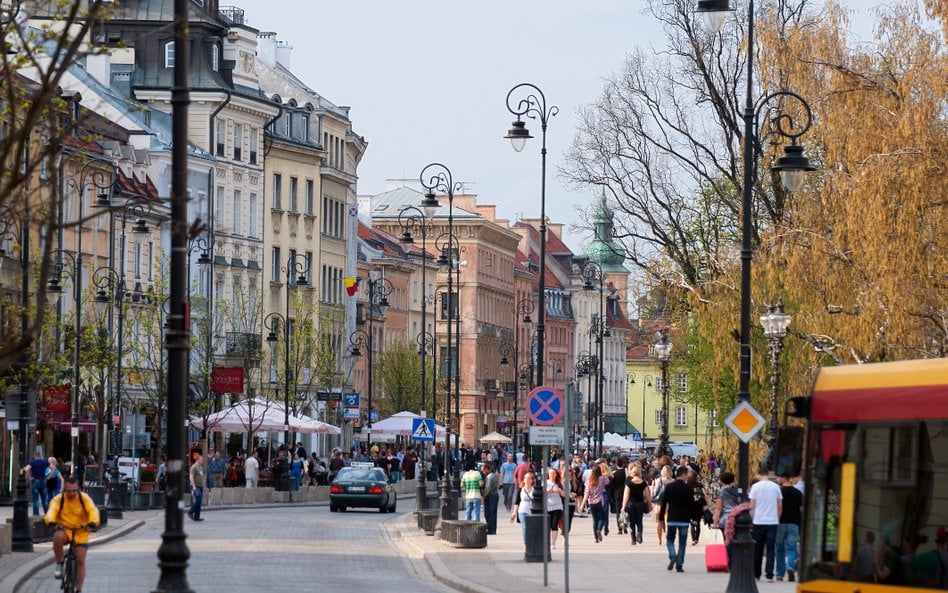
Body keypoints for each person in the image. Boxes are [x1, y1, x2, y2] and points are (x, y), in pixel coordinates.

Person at [46, 476, 100, 593]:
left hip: (81, 531)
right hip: (65, 530)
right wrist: (51, 521)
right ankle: (60, 563)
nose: (71, 493)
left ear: (78, 489)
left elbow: (93, 510)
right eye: (68, 491)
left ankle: (79, 589)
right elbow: (52, 510)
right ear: (64, 489)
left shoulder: (84, 498)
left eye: (74, 490)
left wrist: (93, 523)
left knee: (80, 560)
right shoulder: (58, 500)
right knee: (57, 536)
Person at [659, 465, 696, 572]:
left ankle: (672, 555)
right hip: (684, 519)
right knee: (682, 542)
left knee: (670, 540)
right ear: (683, 474)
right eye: (687, 475)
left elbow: (664, 502)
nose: (687, 477)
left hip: (672, 518)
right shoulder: (688, 488)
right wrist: (693, 518)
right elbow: (691, 504)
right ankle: (679, 565)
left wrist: (661, 517)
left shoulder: (669, 487)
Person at [749, 466, 783, 582]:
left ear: (758, 475)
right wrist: (777, 520)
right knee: (770, 549)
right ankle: (769, 574)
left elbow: (752, 506)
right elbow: (779, 507)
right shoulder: (776, 487)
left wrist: (751, 521)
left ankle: (756, 573)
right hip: (772, 522)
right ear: (768, 475)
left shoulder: (755, 487)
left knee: (757, 549)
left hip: (758, 521)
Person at [775, 475, 803, 581]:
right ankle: (790, 567)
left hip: (781, 523)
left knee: (780, 549)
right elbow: (801, 509)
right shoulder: (798, 493)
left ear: (783, 478)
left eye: (778, 478)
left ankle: (779, 574)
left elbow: (777, 507)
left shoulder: (779, 492)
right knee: (791, 548)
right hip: (794, 523)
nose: (777, 479)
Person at [579, 463, 611, 542]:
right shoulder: (602, 478)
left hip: (591, 502)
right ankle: (599, 529)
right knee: (602, 517)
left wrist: (582, 505)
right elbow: (608, 482)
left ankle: (595, 538)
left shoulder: (589, 480)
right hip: (600, 501)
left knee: (595, 519)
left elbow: (586, 493)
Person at [621, 466, 652, 545]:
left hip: (631, 504)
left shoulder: (629, 483)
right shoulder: (643, 482)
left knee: (632, 522)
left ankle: (633, 539)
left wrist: (623, 506)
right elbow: (647, 495)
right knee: (639, 521)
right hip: (640, 504)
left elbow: (626, 496)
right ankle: (639, 534)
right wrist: (649, 504)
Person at [511, 472, 536, 544]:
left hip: (532, 511)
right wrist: (514, 513)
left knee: (531, 528)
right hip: (522, 510)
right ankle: (526, 543)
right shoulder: (521, 490)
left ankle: (531, 541)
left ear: (532, 480)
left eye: (529, 478)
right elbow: (517, 502)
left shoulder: (535, 490)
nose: (527, 479)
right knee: (525, 526)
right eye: (525, 478)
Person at [653, 464, 674, 545]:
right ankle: (668, 539)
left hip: (661, 504)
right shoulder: (673, 481)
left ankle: (659, 539)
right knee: (668, 522)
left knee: (660, 522)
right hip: (670, 504)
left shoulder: (659, 480)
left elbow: (655, 492)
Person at [26, 451, 51, 516]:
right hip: (43, 481)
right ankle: (47, 513)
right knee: (45, 499)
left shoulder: (32, 462)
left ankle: (36, 514)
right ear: (40, 456)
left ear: (34, 456)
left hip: (35, 481)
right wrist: (48, 477)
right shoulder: (45, 462)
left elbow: (26, 469)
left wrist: (29, 477)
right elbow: (53, 468)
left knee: (35, 499)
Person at [546, 467, 566, 549]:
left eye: (554, 473)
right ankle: (547, 542)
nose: (552, 475)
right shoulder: (545, 483)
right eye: (551, 473)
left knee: (554, 525)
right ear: (548, 475)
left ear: (556, 474)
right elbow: (543, 493)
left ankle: (553, 543)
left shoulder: (560, 483)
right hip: (547, 506)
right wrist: (551, 490)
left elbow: (564, 495)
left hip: (557, 506)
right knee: (547, 525)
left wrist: (560, 491)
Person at [481, 463, 501, 535]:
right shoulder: (495, 475)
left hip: (490, 495)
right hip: (495, 494)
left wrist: (484, 495)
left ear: (486, 469)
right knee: (494, 513)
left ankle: (490, 528)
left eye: (483, 470)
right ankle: (493, 528)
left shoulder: (489, 477)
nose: (483, 472)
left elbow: (488, 488)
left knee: (489, 513)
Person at [187, 454, 207, 521]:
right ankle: (190, 512)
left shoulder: (200, 467)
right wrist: (194, 486)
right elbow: (191, 477)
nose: (202, 461)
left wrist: (204, 486)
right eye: (201, 460)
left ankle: (196, 517)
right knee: (199, 500)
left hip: (200, 486)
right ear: (198, 460)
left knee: (199, 502)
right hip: (196, 486)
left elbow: (203, 477)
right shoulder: (194, 467)